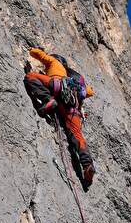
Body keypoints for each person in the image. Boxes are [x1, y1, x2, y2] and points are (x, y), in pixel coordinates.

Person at [24, 48, 95, 189]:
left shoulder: (55, 62)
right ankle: (87, 166)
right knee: (77, 137)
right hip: (72, 108)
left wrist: (32, 50)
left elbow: (41, 56)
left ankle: (47, 100)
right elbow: (90, 92)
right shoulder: (76, 80)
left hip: (56, 88)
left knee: (30, 77)